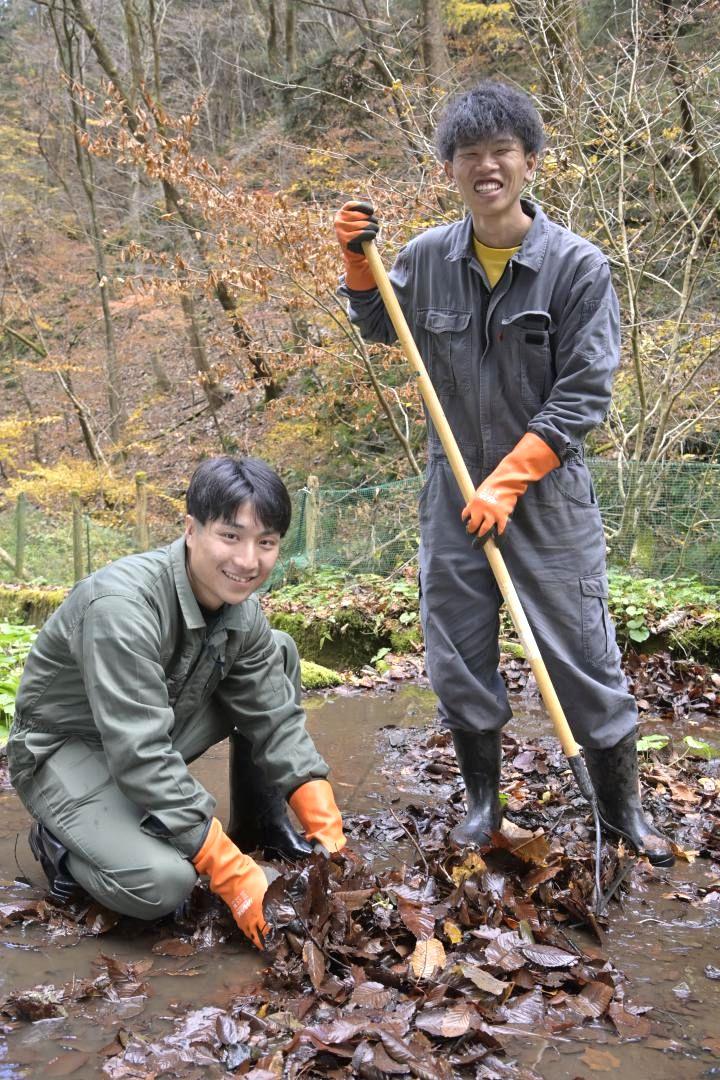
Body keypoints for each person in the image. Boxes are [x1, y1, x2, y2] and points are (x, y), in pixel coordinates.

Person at [333, 80, 673, 866]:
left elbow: (585, 392)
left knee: (582, 654)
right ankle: (484, 806)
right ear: (451, 167)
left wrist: (511, 480)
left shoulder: (577, 269)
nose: (486, 167)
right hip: (452, 495)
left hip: (547, 499)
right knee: (457, 651)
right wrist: (357, 258)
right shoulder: (422, 258)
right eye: (469, 155)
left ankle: (622, 812)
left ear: (528, 162)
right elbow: (381, 321)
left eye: (501, 153)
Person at [7, 456, 347, 948]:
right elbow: (140, 752)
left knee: (278, 652)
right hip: (65, 750)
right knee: (163, 884)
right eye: (230, 537)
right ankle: (58, 842)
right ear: (191, 530)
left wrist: (318, 807)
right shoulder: (121, 607)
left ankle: (259, 822)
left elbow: (273, 714)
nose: (248, 561)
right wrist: (227, 868)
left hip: (147, 734)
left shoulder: (240, 610)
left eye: (266, 543)